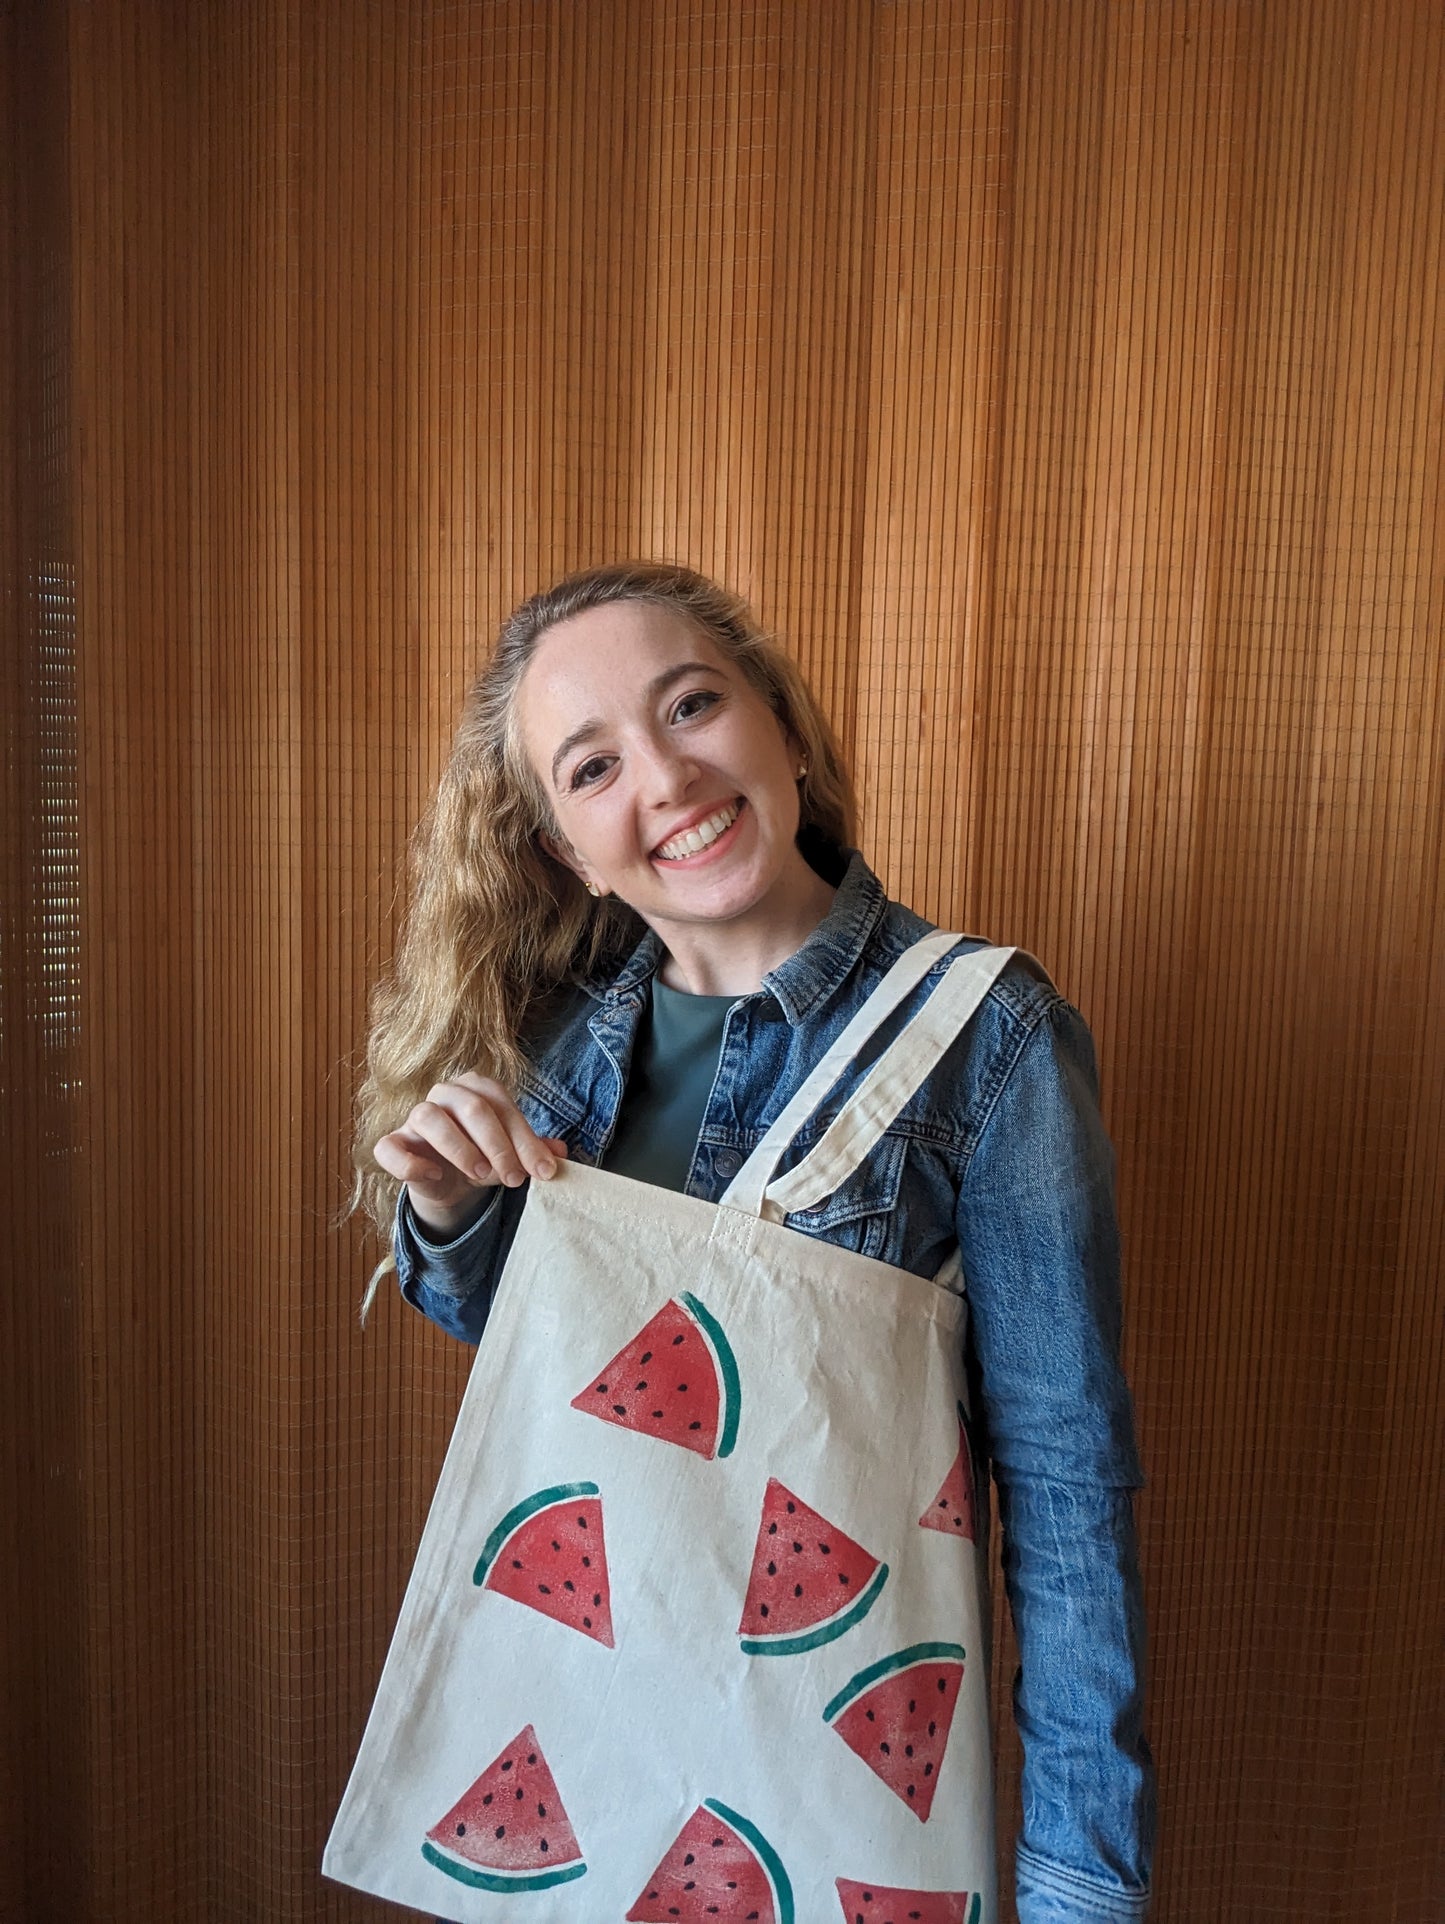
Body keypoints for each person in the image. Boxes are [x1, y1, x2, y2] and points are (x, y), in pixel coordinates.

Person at [350, 562, 1156, 1922]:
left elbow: (1069, 1492)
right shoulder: (561, 1039)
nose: (663, 778)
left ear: (780, 725)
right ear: (560, 844)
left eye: (691, 706)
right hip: (578, 1733)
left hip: (839, 1762)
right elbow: (555, 1363)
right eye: (592, 765)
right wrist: (443, 1208)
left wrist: (1083, 1884)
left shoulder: (986, 1035)